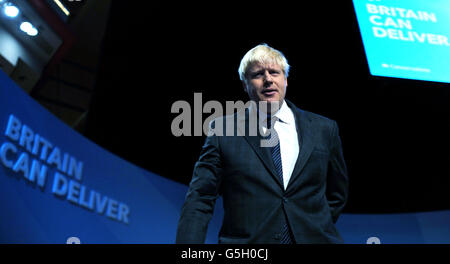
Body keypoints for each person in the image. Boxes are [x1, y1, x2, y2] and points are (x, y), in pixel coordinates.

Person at [176, 44, 349, 244]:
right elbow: (200, 198)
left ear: (285, 79)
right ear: (245, 84)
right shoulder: (223, 130)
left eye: (274, 72)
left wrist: (312, 225)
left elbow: (337, 194)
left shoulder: (324, 129)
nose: (268, 80)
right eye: (258, 74)